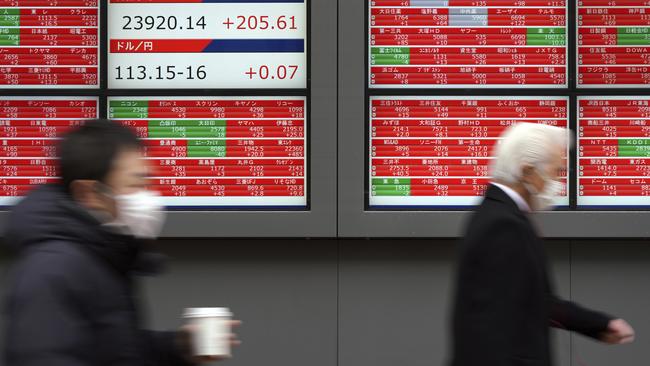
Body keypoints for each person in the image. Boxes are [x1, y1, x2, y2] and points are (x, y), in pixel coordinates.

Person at [2, 120, 238, 365]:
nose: (148, 198)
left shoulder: (99, 255)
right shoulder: (53, 269)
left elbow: (114, 349)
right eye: (135, 184)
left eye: (148, 184)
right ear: (88, 193)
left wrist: (178, 347)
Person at [450, 123, 634, 366]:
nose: (558, 183)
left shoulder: (499, 213)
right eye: (556, 172)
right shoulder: (503, 225)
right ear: (527, 172)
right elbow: (492, 325)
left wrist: (598, 325)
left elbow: (533, 298)